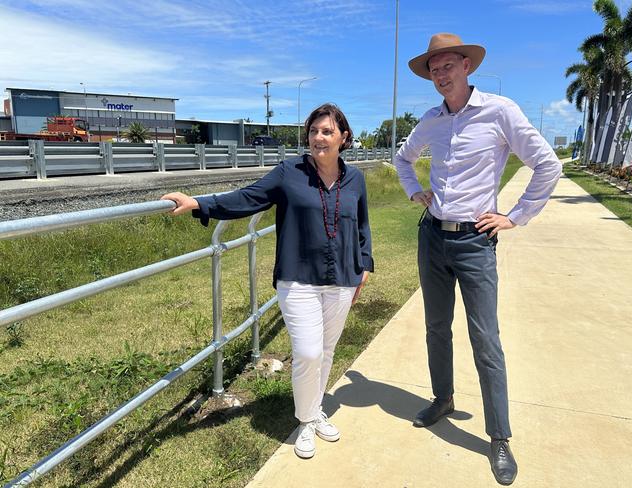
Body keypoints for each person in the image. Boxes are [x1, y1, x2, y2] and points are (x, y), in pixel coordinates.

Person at [395, 33, 562, 485]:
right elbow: (402, 158)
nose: (441, 74)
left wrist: (515, 216)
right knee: (435, 327)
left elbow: (547, 164)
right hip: (432, 236)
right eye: (434, 69)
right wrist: (416, 192)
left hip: (474, 243)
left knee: (485, 339)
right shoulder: (430, 120)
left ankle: (499, 436)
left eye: (448, 65)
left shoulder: (500, 112)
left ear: (467, 66)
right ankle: (443, 398)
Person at [161, 103, 373, 460]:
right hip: (298, 278)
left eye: (327, 131)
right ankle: (305, 420)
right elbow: (248, 197)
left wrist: (364, 265)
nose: (318, 138)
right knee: (307, 352)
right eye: (314, 131)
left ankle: (315, 408)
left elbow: (362, 225)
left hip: (342, 279)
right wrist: (199, 203)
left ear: (344, 138)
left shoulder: (355, 179)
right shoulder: (289, 173)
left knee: (326, 351)